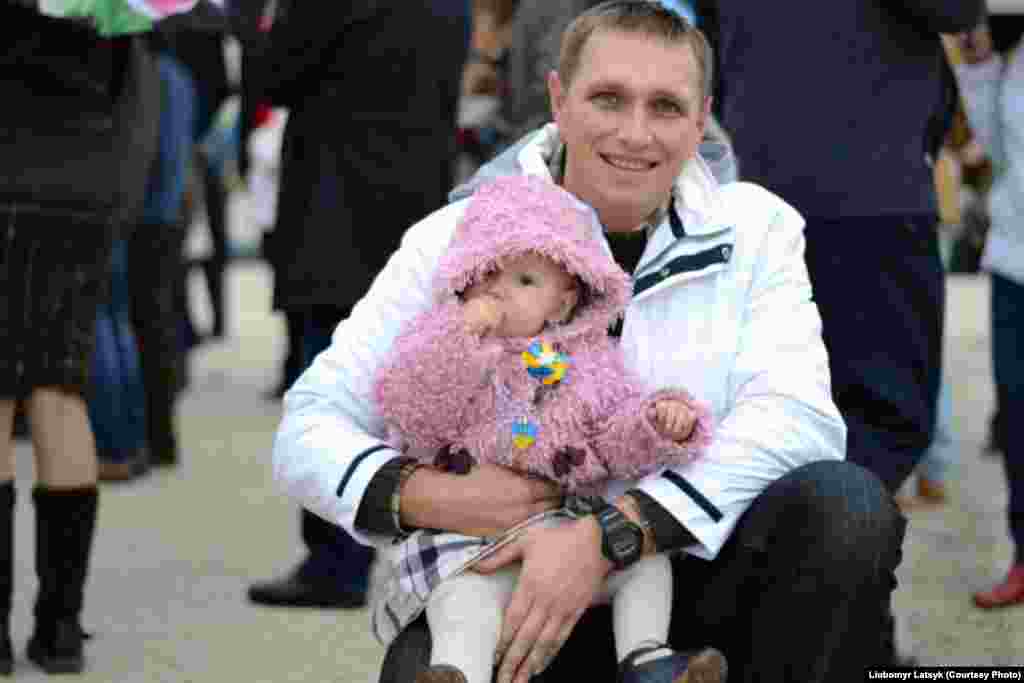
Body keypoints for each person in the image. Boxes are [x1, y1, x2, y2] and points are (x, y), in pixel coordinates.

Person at [274, 3, 905, 682]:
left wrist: (615, 533)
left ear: (701, 121)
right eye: (608, 98)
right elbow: (311, 423)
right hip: (507, 593)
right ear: (558, 99)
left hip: (689, 584)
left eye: (666, 106)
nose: (635, 133)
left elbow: (798, 419)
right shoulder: (458, 238)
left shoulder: (756, 230)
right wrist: (429, 495)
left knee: (848, 507)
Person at [371, 174, 720, 683]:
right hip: (475, 545)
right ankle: (457, 675)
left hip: (570, 538)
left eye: (525, 282)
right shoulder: (445, 342)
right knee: (462, 602)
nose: (498, 291)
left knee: (647, 566)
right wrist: (459, 336)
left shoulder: (589, 363)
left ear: (562, 301)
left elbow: (612, 439)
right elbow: (411, 407)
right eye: (487, 273)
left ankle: (647, 660)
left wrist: (656, 424)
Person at [243, 0, 472, 609]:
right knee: (403, 385)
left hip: (335, 208)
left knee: (332, 387)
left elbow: (273, 74)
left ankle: (335, 560)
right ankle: (403, 544)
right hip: (414, 200)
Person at [0, 3, 159, 672]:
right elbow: (138, 100)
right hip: (84, 199)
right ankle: (60, 629)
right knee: (61, 393)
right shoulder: (116, 9)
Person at [953, 16, 1024, 609]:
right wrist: (978, 69)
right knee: (1019, 421)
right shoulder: (1016, 53)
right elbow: (1000, 151)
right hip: (1014, 264)